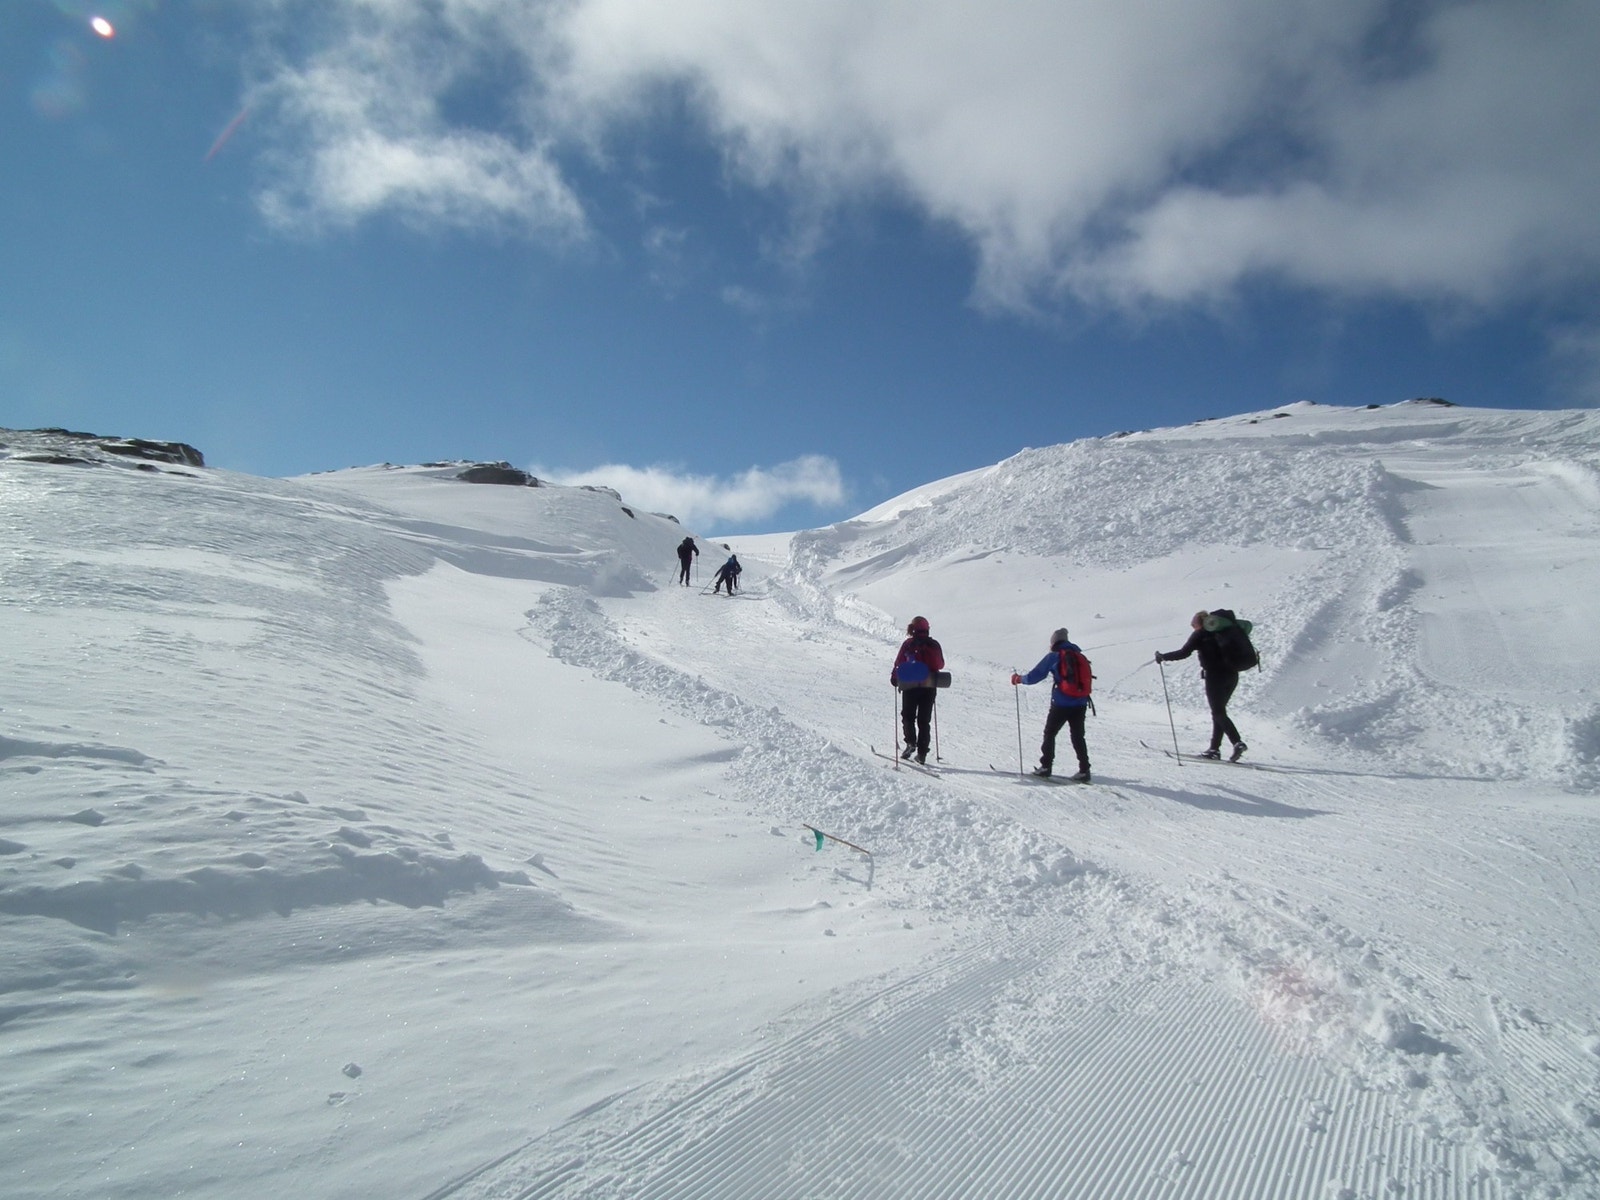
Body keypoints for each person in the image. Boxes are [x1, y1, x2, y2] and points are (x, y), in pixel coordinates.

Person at [1156, 611, 1247, 761]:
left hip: (1215, 676)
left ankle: (1237, 742)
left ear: (1199, 623)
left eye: (1194, 625)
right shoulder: (1225, 632)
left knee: (1218, 712)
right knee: (1219, 712)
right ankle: (1214, 749)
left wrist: (1163, 657)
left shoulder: (1201, 634)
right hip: (1232, 675)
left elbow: (1184, 653)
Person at [1011, 628, 1092, 782]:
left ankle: (1046, 767)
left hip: (1062, 703)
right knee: (1078, 735)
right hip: (1081, 702)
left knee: (1050, 733)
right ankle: (1084, 770)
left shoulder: (1055, 656)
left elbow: (1035, 676)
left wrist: (1019, 679)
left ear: (1054, 642)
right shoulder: (1079, 655)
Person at [891, 616, 945, 763]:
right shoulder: (934, 645)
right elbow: (940, 665)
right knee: (924, 720)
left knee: (908, 716)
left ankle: (910, 742)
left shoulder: (909, 644)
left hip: (910, 684)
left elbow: (899, 663)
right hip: (929, 685)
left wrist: (894, 677)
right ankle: (922, 753)